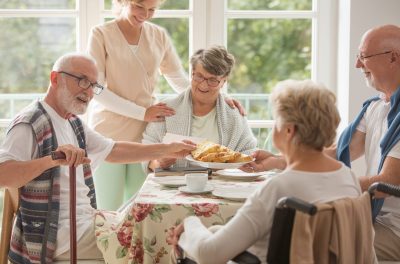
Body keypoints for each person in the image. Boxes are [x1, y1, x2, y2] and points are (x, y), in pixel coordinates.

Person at [0, 53, 195, 263]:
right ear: (55, 78)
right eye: (82, 80)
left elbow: (113, 150)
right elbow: (3, 175)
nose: (89, 91)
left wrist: (166, 149)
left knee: (160, 222)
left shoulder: (72, 121)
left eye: (94, 85)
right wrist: (51, 160)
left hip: (87, 222)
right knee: (155, 239)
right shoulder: (29, 122)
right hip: (59, 235)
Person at [243, 25, 400, 261]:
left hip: (393, 228)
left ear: (393, 58)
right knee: (283, 236)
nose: (357, 65)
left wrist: (321, 184)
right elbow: (337, 153)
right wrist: (277, 161)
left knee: (302, 244)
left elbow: (388, 182)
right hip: (368, 217)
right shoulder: (377, 106)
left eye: (363, 57)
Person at [171, 80, 362, 263]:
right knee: (214, 232)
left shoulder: (279, 188)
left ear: (289, 130)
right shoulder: (348, 177)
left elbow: (209, 255)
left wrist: (190, 223)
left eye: (275, 121)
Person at [87, 0, 245, 209]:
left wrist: (218, 96)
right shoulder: (101, 34)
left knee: (139, 208)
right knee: (108, 209)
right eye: (139, 6)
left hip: (144, 135)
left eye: (152, 9)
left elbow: (177, 77)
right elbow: (96, 88)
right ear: (123, 1)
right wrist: (142, 112)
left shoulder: (158, 35)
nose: (145, 14)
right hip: (109, 132)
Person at [142, 46, 257, 171]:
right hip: (174, 187)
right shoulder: (166, 110)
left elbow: (249, 152)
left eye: (213, 80)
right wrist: (159, 162)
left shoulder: (233, 114)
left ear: (224, 81)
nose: (203, 85)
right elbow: (146, 155)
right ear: (192, 73)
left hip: (221, 186)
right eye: (199, 76)